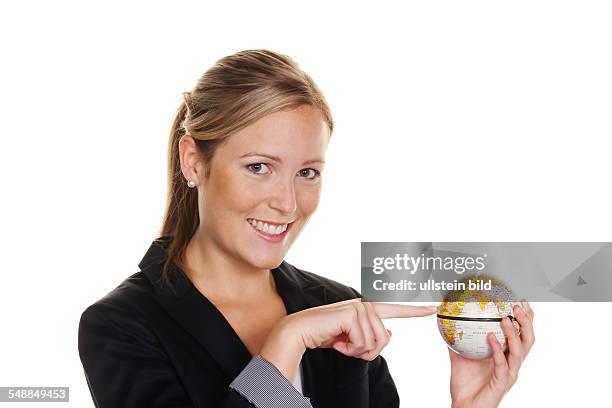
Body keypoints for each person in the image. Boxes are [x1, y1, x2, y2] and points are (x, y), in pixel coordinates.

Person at [78, 50, 535, 408]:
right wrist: (285, 342)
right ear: (193, 161)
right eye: (259, 167)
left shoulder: (338, 307)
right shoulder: (121, 326)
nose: (288, 202)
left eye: (308, 172)